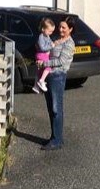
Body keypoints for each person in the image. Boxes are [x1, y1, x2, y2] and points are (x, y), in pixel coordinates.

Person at [38, 16, 76, 151]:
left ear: (70, 29)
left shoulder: (69, 44)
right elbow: (47, 51)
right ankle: (55, 136)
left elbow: (61, 61)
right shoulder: (57, 40)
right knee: (50, 108)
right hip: (50, 75)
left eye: (64, 28)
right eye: (60, 27)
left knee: (56, 108)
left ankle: (57, 140)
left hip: (58, 77)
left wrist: (45, 63)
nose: (60, 29)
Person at [32, 18, 57, 94]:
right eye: (49, 31)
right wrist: (51, 46)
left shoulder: (47, 36)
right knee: (48, 67)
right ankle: (41, 80)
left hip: (43, 55)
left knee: (40, 70)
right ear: (43, 29)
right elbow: (42, 47)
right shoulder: (41, 37)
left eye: (52, 31)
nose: (51, 33)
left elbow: (50, 42)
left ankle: (36, 86)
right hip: (42, 55)